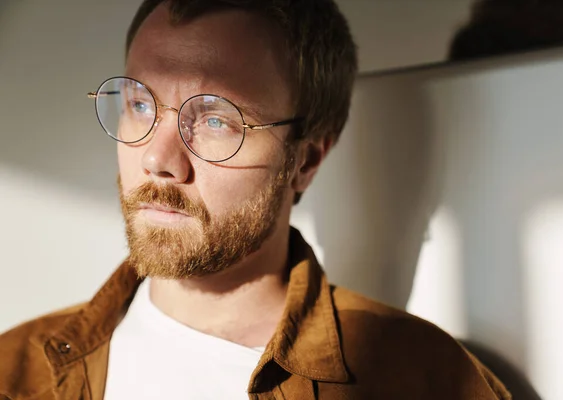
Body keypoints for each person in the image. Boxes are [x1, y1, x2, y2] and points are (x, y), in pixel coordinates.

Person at [0, 0, 511, 399]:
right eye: (139, 104)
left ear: (306, 159)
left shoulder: (424, 382)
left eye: (216, 119)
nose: (157, 159)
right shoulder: (13, 370)